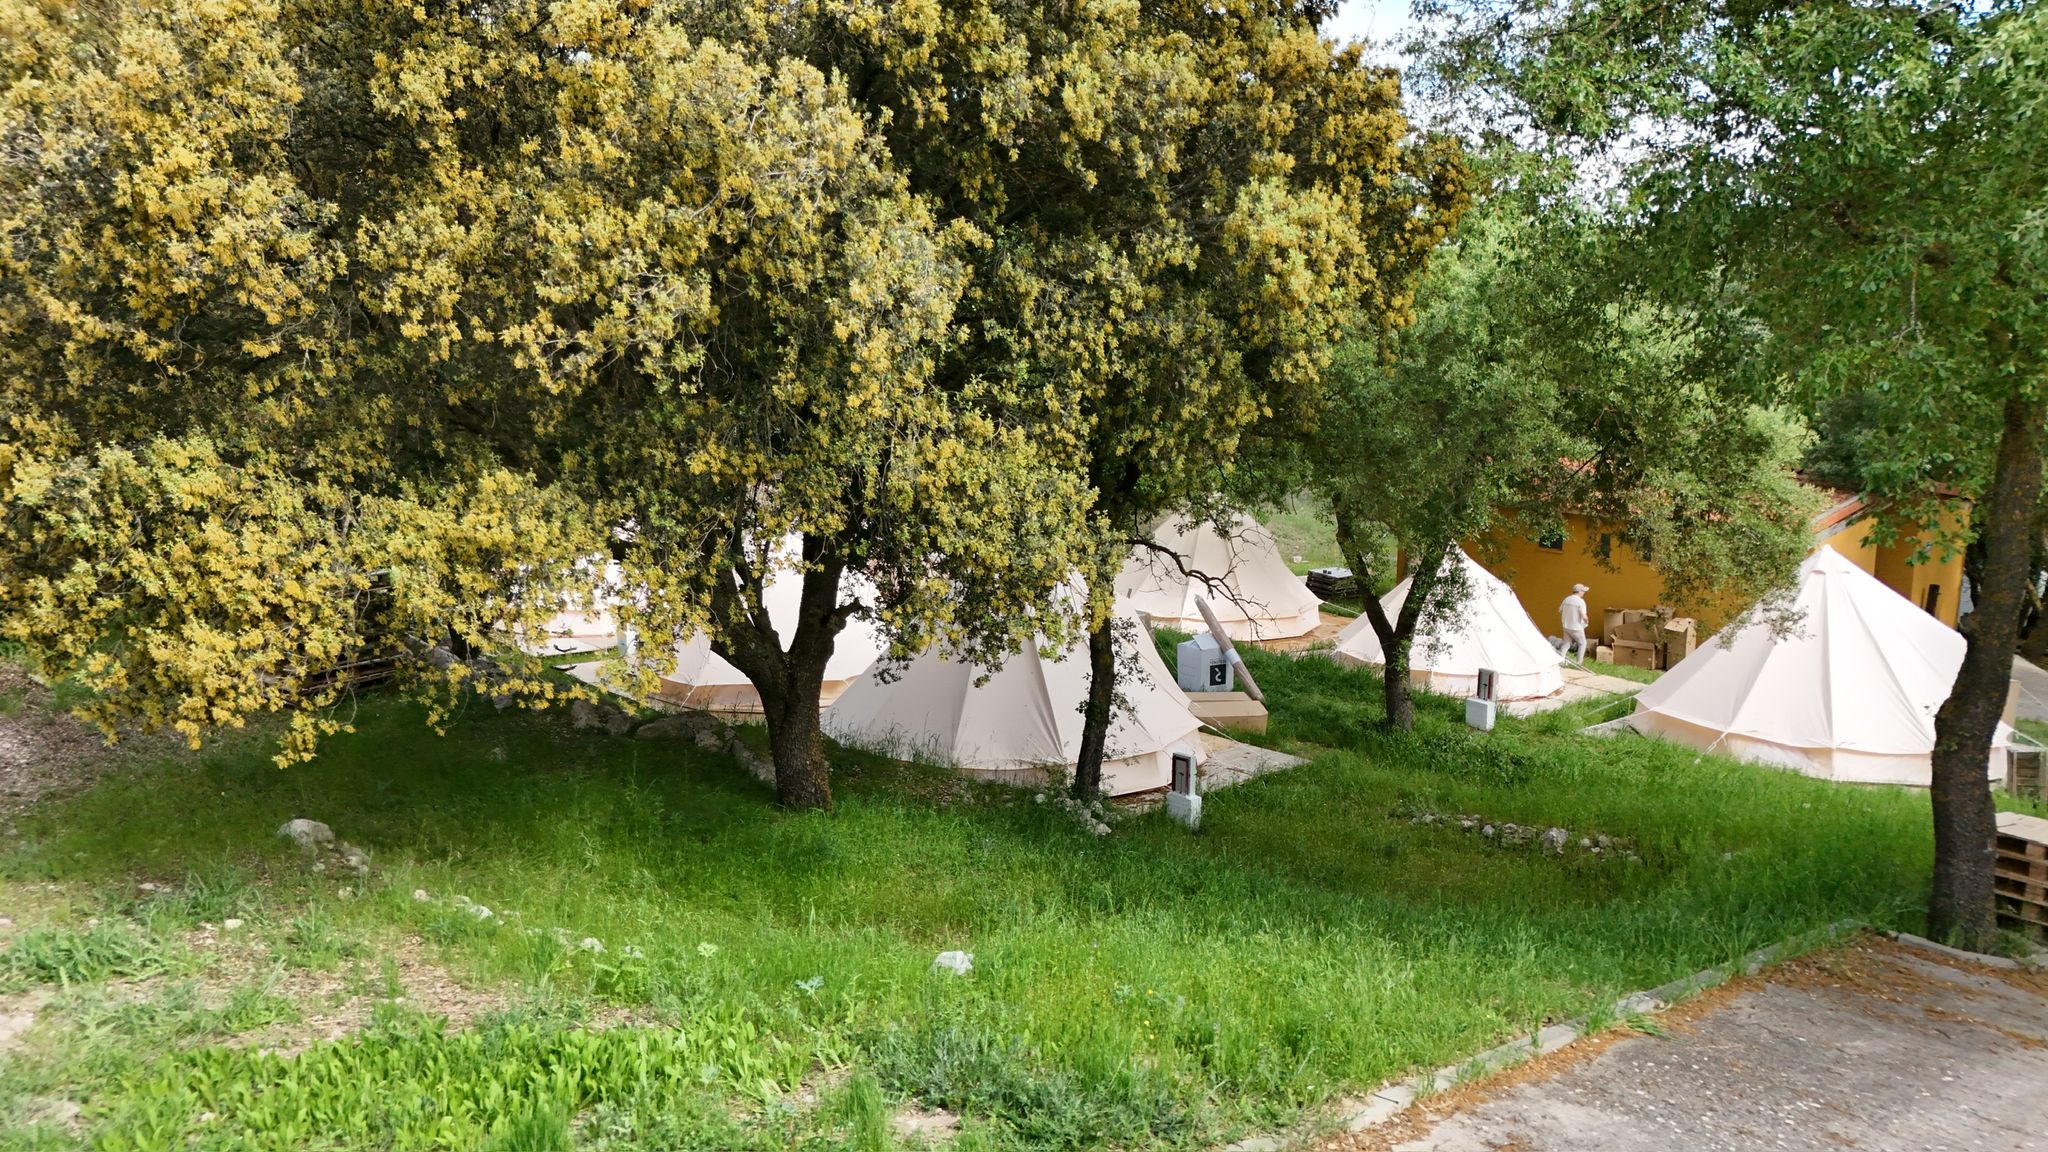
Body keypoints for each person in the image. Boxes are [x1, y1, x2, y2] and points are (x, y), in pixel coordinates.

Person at [1559, 583, 1590, 662]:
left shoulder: (1567, 599)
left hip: (1566, 626)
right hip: (1576, 627)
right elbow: (1584, 616)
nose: (1584, 593)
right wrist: (1587, 621)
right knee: (1582, 644)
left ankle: (1560, 661)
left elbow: (1560, 610)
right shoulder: (1580, 601)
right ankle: (1579, 663)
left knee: (1566, 644)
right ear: (1579, 591)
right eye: (1583, 591)